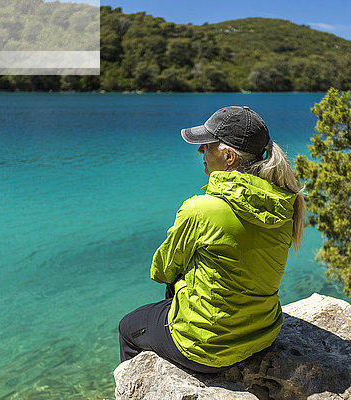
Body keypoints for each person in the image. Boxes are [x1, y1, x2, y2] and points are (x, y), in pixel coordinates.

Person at [118, 105, 306, 373]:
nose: (200, 151)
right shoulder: (285, 205)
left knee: (128, 328)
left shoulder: (201, 209)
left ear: (229, 156)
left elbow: (161, 271)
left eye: (206, 145)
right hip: (264, 335)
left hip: (206, 349)